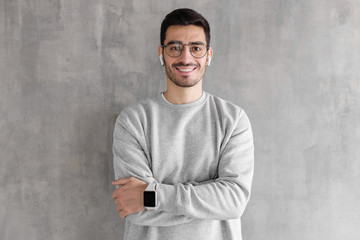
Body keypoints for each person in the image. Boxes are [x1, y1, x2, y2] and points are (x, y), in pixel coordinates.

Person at [112, 8, 254, 240]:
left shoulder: (233, 119)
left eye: (196, 48)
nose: (186, 58)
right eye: (175, 47)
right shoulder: (133, 121)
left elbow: (233, 201)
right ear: (162, 53)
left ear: (208, 55)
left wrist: (153, 196)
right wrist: (209, 202)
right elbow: (133, 210)